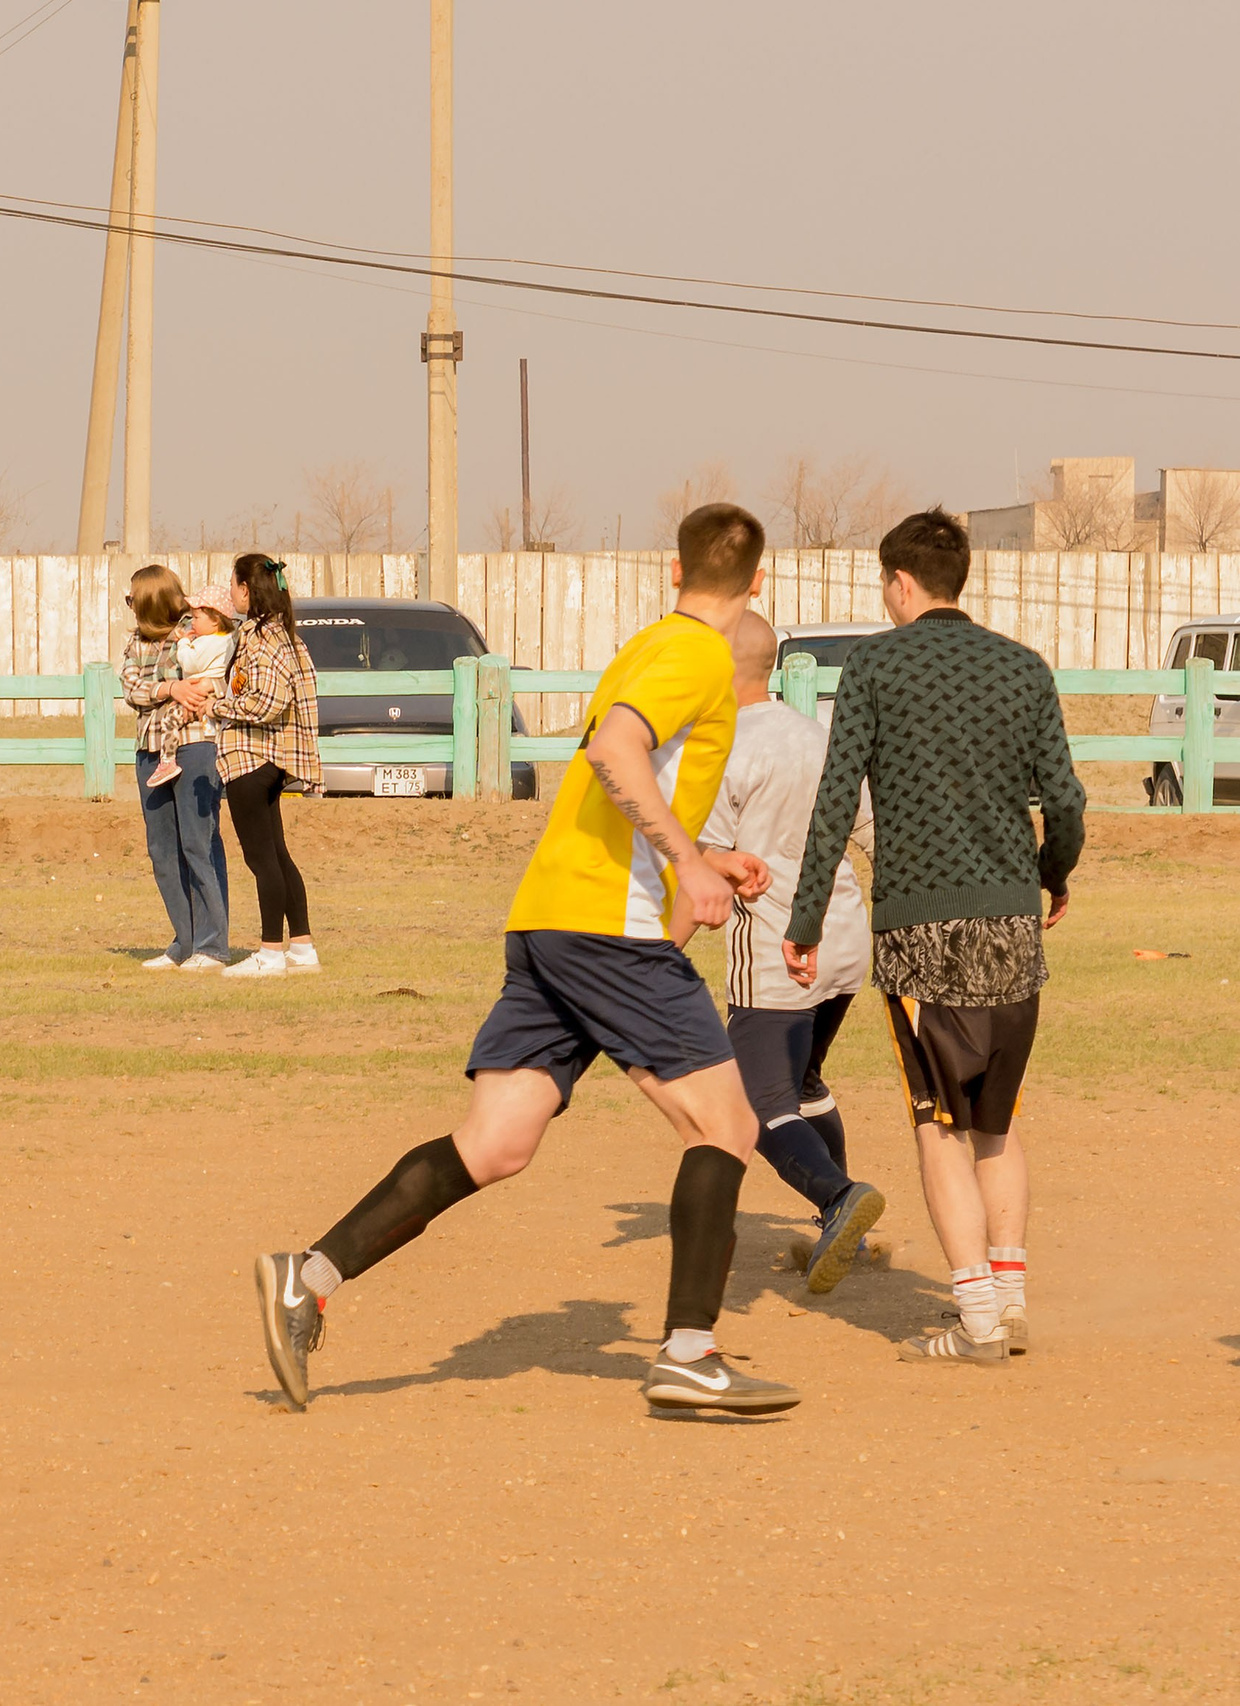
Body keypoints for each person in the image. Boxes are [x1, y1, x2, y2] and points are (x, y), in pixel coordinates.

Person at [253, 504, 804, 1417]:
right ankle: (691, 1353)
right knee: (728, 1129)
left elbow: (625, 778)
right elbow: (615, 749)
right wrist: (684, 864)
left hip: (553, 915)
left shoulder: (648, 644)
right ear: (757, 582)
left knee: (496, 1143)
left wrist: (701, 851)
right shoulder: (699, 655)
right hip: (609, 930)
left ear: (673, 572)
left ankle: (305, 1278)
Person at [785, 508, 1083, 1367]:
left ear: (900, 583)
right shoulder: (1023, 669)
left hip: (920, 932)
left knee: (936, 1123)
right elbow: (1063, 801)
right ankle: (1012, 1294)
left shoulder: (875, 663)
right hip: (1011, 926)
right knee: (998, 1118)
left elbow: (837, 800)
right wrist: (1052, 875)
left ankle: (977, 1316)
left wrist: (805, 921)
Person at [688, 611, 886, 1296]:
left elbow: (709, 866)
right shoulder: (818, 736)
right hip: (845, 941)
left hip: (777, 947)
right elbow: (873, 833)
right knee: (803, 1087)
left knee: (755, 1102)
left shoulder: (724, 751)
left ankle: (837, 1201)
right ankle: (845, 1224)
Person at [166, 553, 320, 980]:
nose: (230, 591)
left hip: (252, 758)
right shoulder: (278, 633)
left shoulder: (265, 638)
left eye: (233, 585)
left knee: (261, 860)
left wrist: (218, 705)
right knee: (278, 855)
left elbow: (269, 700)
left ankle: (270, 953)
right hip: (269, 758)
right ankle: (302, 947)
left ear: (246, 591)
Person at [121, 565, 230, 972]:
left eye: (133, 599)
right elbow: (131, 688)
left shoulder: (199, 629)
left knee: (198, 845)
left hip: (195, 746)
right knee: (162, 851)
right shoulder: (135, 642)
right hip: (150, 750)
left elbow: (216, 676)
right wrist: (171, 689)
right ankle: (184, 942)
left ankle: (213, 945)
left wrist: (195, 688)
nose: (130, 607)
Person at [144, 604, 236, 787]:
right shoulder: (227, 640)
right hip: (213, 695)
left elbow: (189, 663)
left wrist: (183, 643)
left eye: (197, 618)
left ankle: (167, 761)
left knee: (170, 719)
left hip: (199, 695)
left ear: (215, 621)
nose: (192, 622)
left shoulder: (211, 642)